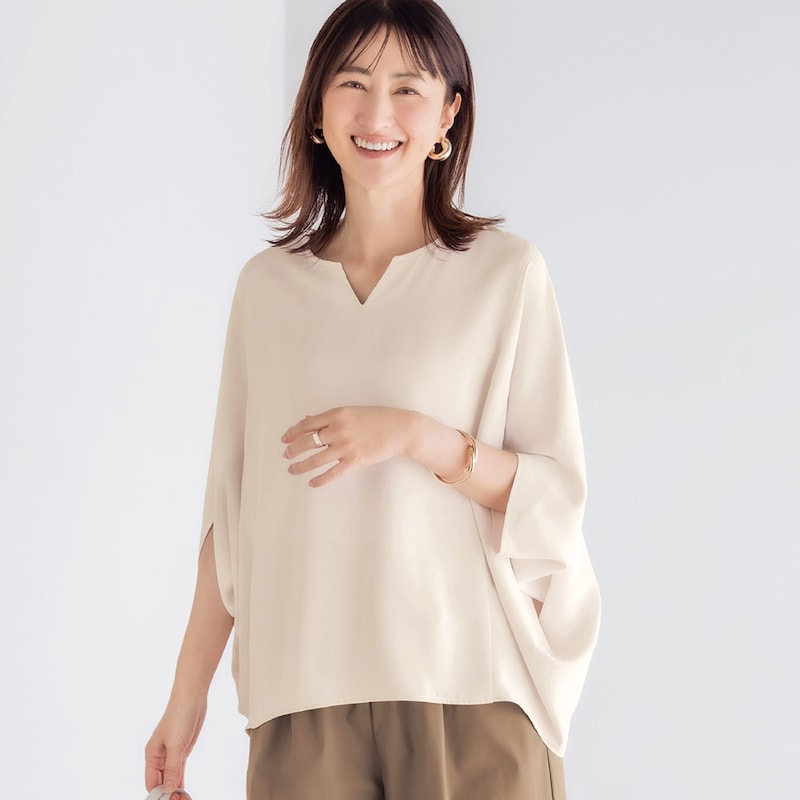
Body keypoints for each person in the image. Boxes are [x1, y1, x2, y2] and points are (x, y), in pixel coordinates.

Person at [144, 1, 601, 798]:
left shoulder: (506, 276)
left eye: (408, 88)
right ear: (318, 109)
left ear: (448, 114)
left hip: (470, 692)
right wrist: (187, 697)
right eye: (352, 83)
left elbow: (552, 494)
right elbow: (232, 515)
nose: (378, 113)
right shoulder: (267, 292)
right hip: (303, 701)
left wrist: (417, 436)